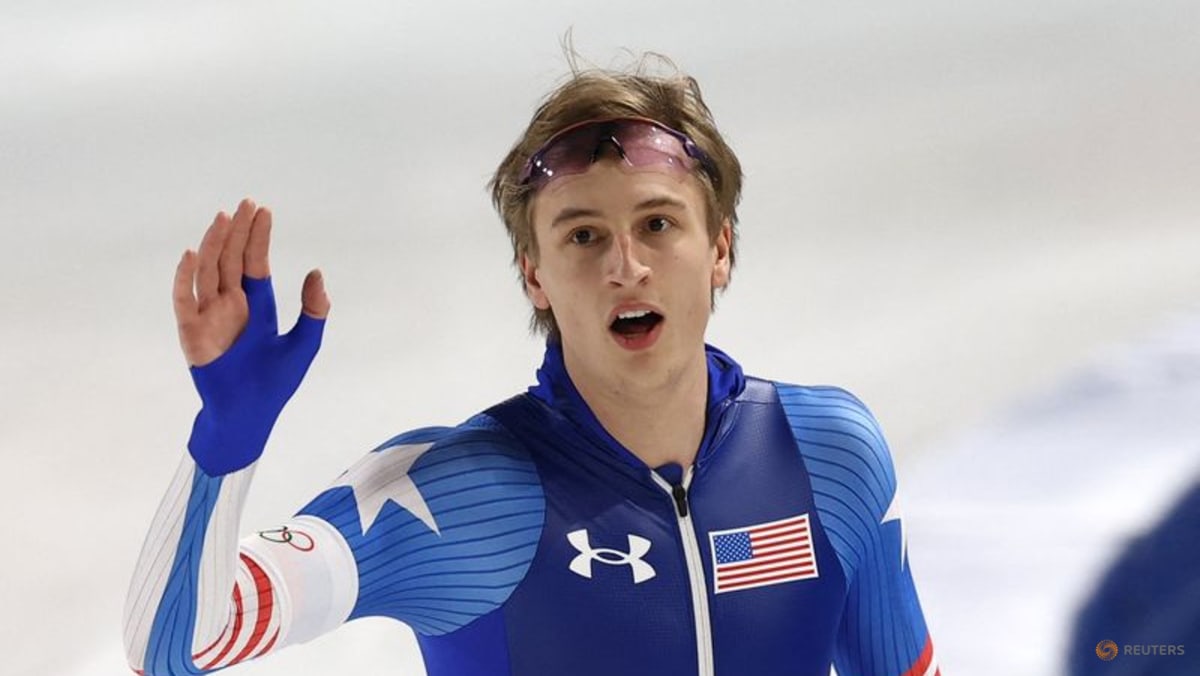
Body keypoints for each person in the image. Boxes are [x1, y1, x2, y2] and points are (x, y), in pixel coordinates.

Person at [123, 57, 941, 676]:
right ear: (534, 275)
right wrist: (226, 442)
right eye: (583, 235)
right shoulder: (456, 498)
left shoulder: (827, 453)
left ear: (719, 247)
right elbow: (174, 649)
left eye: (658, 224)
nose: (626, 266)